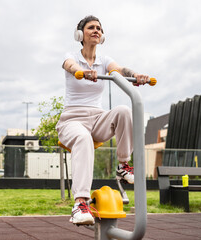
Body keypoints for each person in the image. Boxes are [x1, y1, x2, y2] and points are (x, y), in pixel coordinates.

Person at [56, 15, 150, 225]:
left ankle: (124, 165)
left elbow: (120, 70)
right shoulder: (71, 56)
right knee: (83, 138)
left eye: (99, 28)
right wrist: (81, 72)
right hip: (73, 119)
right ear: (80, 34)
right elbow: (69, 66)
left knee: (124, 110)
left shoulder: (104, 60)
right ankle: (80, 203)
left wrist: (136, 75)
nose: (96, 30)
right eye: (91, 28)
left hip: (97, 119)